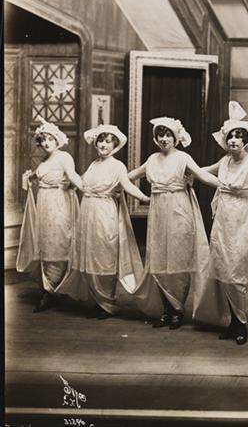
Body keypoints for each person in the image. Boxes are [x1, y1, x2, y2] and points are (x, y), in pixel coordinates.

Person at [192, 102, 248, 345]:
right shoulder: (224, 162)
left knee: (237, 272)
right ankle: (233, 322)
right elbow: (203, 170)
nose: (234, 140)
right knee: (224, 270)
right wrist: (187, 170)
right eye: (230, 136)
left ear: (245, 140)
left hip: (244, 219)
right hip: (224, 220)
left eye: (238, 136)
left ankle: (241, 323)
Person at [128, 117, 220, 330]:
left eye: (168, 134)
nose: (164, 139)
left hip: (180, 210)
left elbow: (203, 176)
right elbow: (129, 176)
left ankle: (177, 310)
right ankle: (166, 310)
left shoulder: (183, 157)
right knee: (159, 259)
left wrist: (229, 185)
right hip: (158, 212)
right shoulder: (152, 159)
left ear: (176, 137)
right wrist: (135, 193)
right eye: (160, 135)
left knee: (179, 260)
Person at [58, 125, 150, 319]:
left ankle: (107, 302)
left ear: (115, 145)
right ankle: (96, 301)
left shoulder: (118, 166)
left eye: (108, 142)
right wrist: (68, 183)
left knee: (105, 256)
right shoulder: (93, 164)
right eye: (101, 140)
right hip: (87, 212)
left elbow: (127, 186)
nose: (103, 145)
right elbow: (82, 182)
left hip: (105, 213)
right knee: (89, 255)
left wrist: (145, 198)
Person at [17, 117, 83, 313]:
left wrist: (88, 189)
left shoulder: (64, 157)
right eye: (43, 140)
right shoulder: (44, 161)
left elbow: (73, 176)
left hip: (59, 204)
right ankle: (51, 288)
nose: (46, 143)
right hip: (44, 204)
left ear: (57, 140)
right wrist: (28, 176)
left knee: (59, 243)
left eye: (49, 139)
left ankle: (55, 288)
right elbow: (37, 175)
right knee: (46, 244)